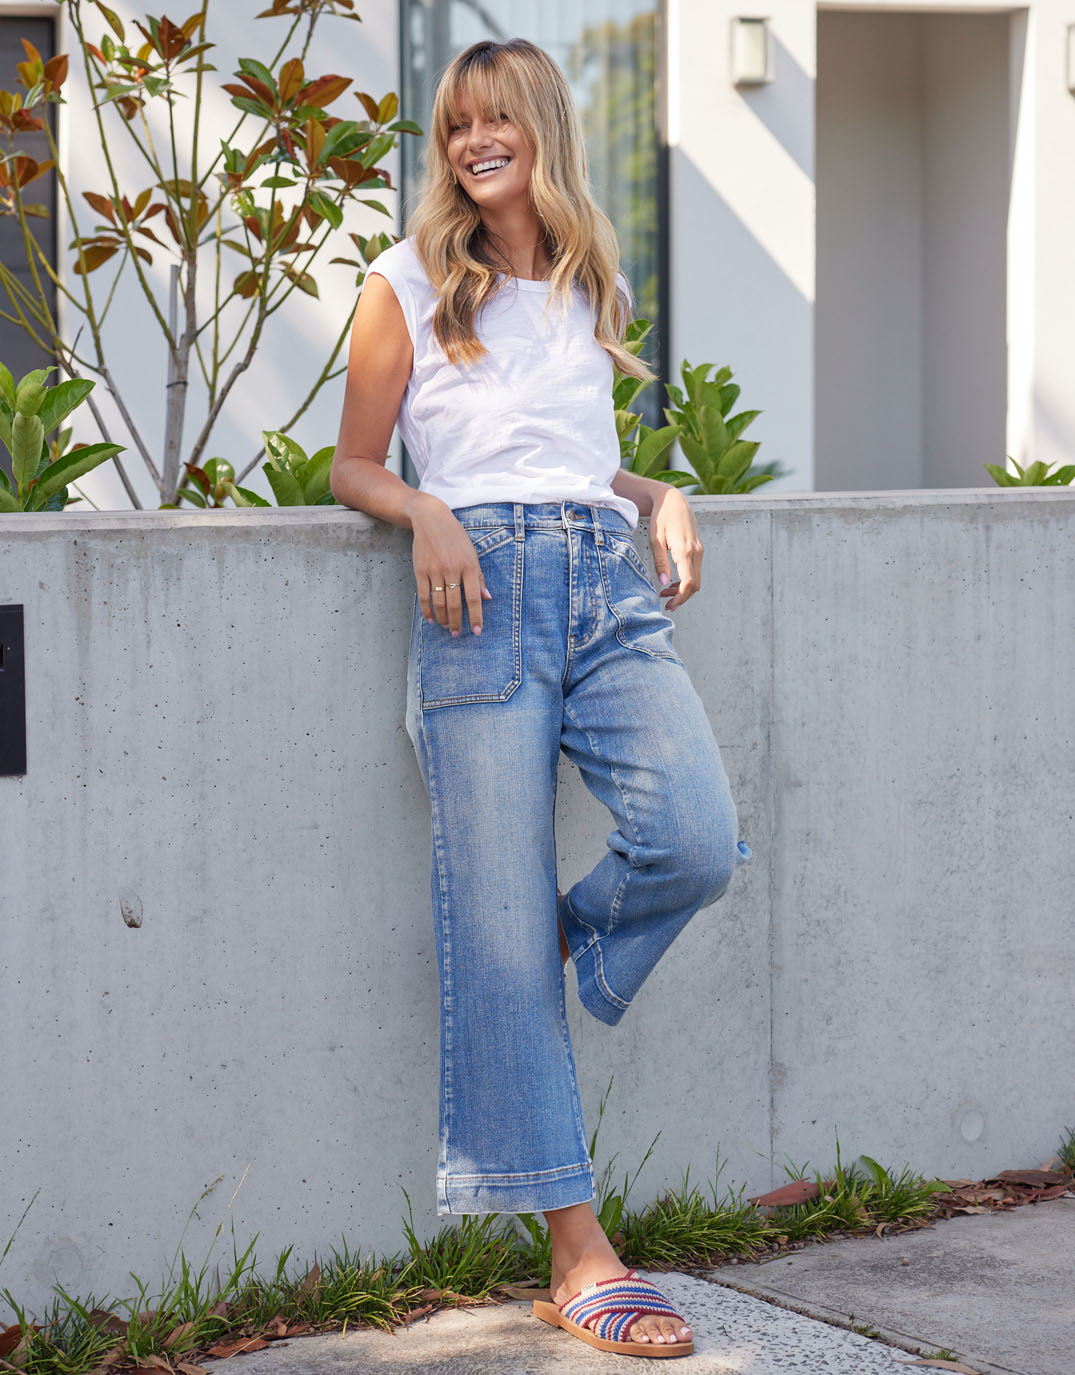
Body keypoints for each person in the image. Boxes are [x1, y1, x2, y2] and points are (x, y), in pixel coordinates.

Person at [330, 37, 750, 1359]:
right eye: (457, 123)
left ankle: (536, 950)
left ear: (542, 131)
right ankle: (579, 1257)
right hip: (480, 603)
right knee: (497, 932)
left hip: (605, 591)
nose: (474, 140)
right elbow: (353, 464)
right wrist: (424, 513)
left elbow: (570, 459)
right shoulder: (402, 284)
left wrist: (660, 490)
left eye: (499, 118)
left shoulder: (582, 282)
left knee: (693, 834)